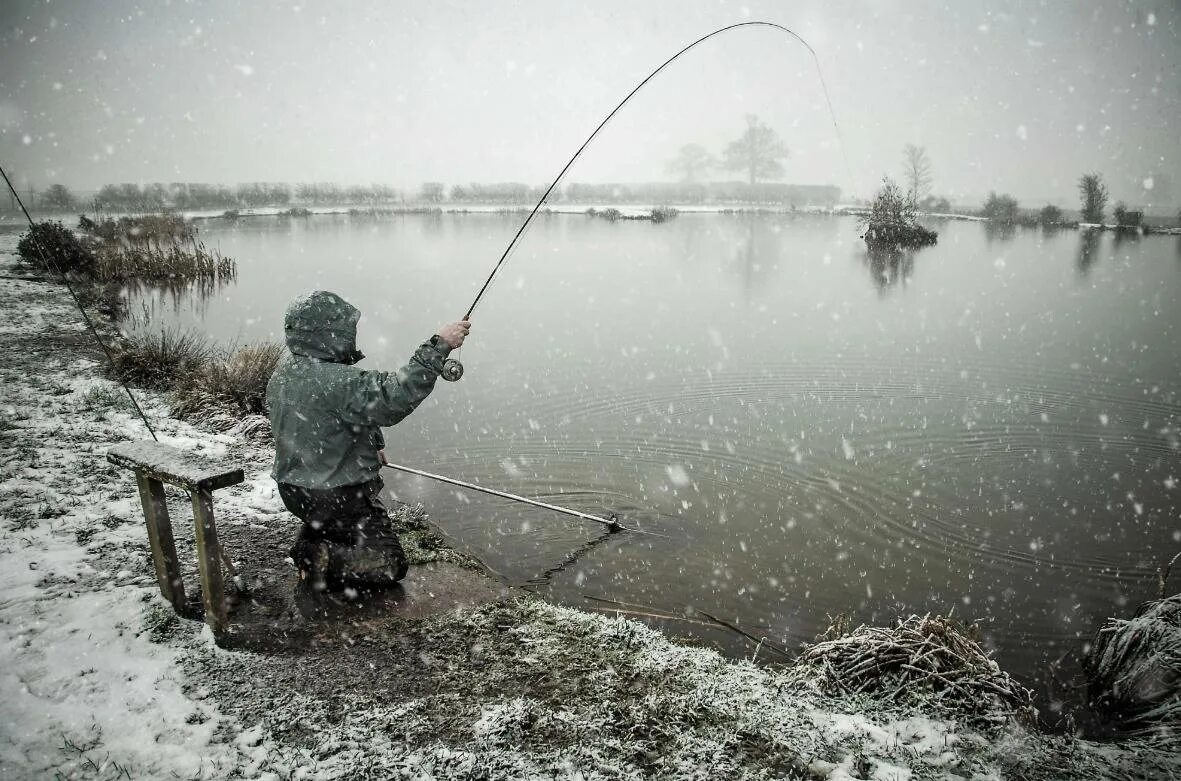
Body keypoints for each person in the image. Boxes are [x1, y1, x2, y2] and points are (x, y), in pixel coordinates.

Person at [266, 290, 469, 592]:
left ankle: (316, 535)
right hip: (338, 497)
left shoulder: (284, 374)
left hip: (295, 492)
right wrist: (438, 346)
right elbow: (392, 397)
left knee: (329, 520)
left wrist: (373, 442)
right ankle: (317, 556)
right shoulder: (338, 379)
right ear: (329, 334)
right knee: (389, 563)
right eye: (346, 329)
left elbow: (331, 417)